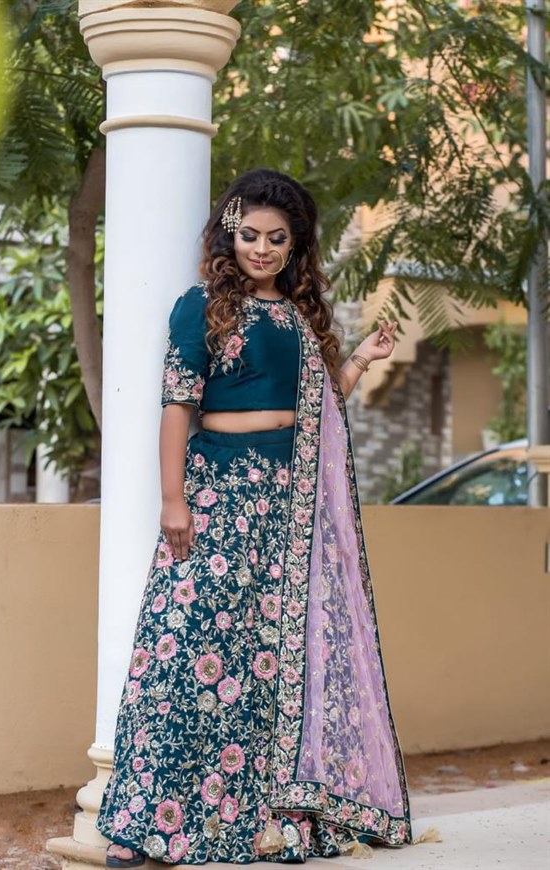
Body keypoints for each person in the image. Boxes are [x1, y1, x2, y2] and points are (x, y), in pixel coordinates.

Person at [97, 168, 412, 867]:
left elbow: (319, 407)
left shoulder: (299, 316)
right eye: (250, 236)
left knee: (269, 661)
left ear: (295, 245)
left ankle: (253, 820)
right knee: (184, 648)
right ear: (228, 235)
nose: (262, 249)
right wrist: (173, 499)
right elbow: (177, 406)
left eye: (277, 239)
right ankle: (151, 826)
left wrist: (361, 359)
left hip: (288, 506)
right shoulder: (203, 306)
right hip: (218, 492)